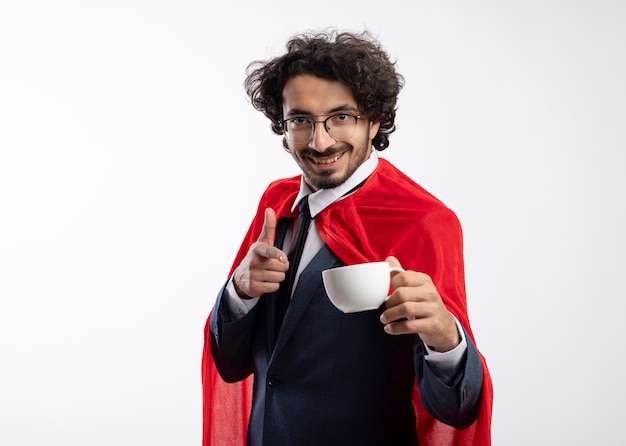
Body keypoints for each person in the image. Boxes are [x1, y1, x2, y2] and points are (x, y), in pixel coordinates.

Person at [202, 29, 493, 446]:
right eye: (301, 120)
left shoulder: (424, 221)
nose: (320, 142)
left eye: (341, 117)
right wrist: (239, 292)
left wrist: (446, 340)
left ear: (374, 120)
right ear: (282, 127)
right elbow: (231, 365)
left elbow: (454, 410)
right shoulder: (277, 202)